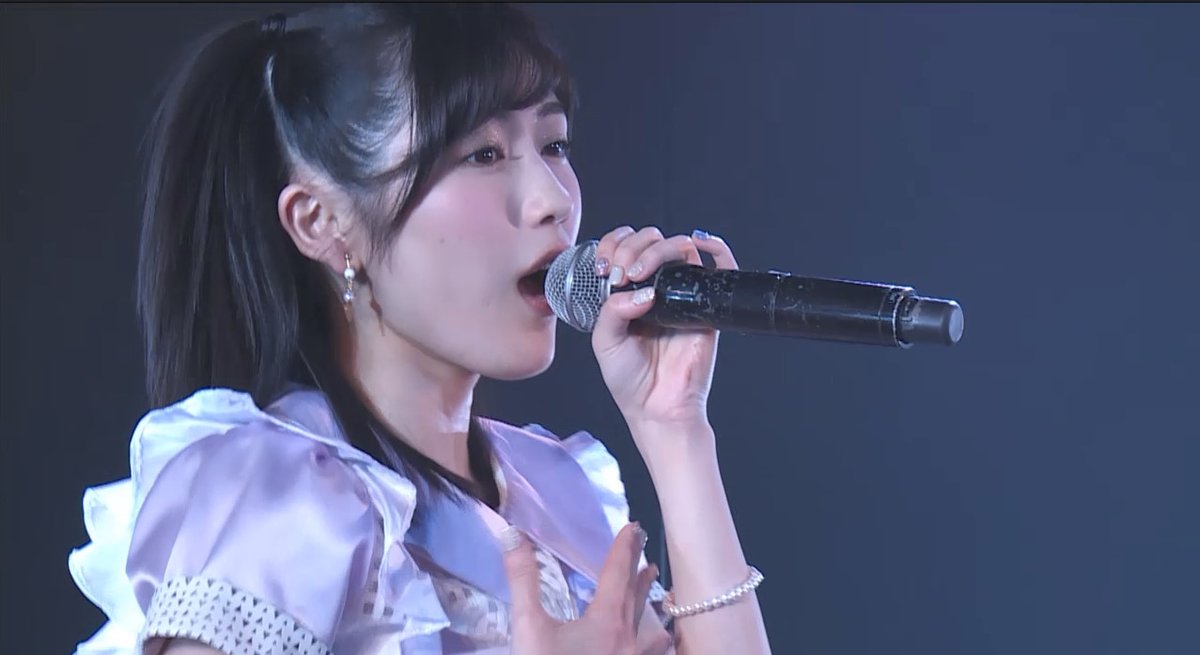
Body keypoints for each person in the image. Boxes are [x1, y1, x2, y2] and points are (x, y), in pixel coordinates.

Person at [68, 4, 772, 654]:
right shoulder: (276, 494)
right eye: (483, 154)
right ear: (322, 222)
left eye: (554, 143)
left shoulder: (557, 491)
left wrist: (674, 428)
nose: (553, 200)